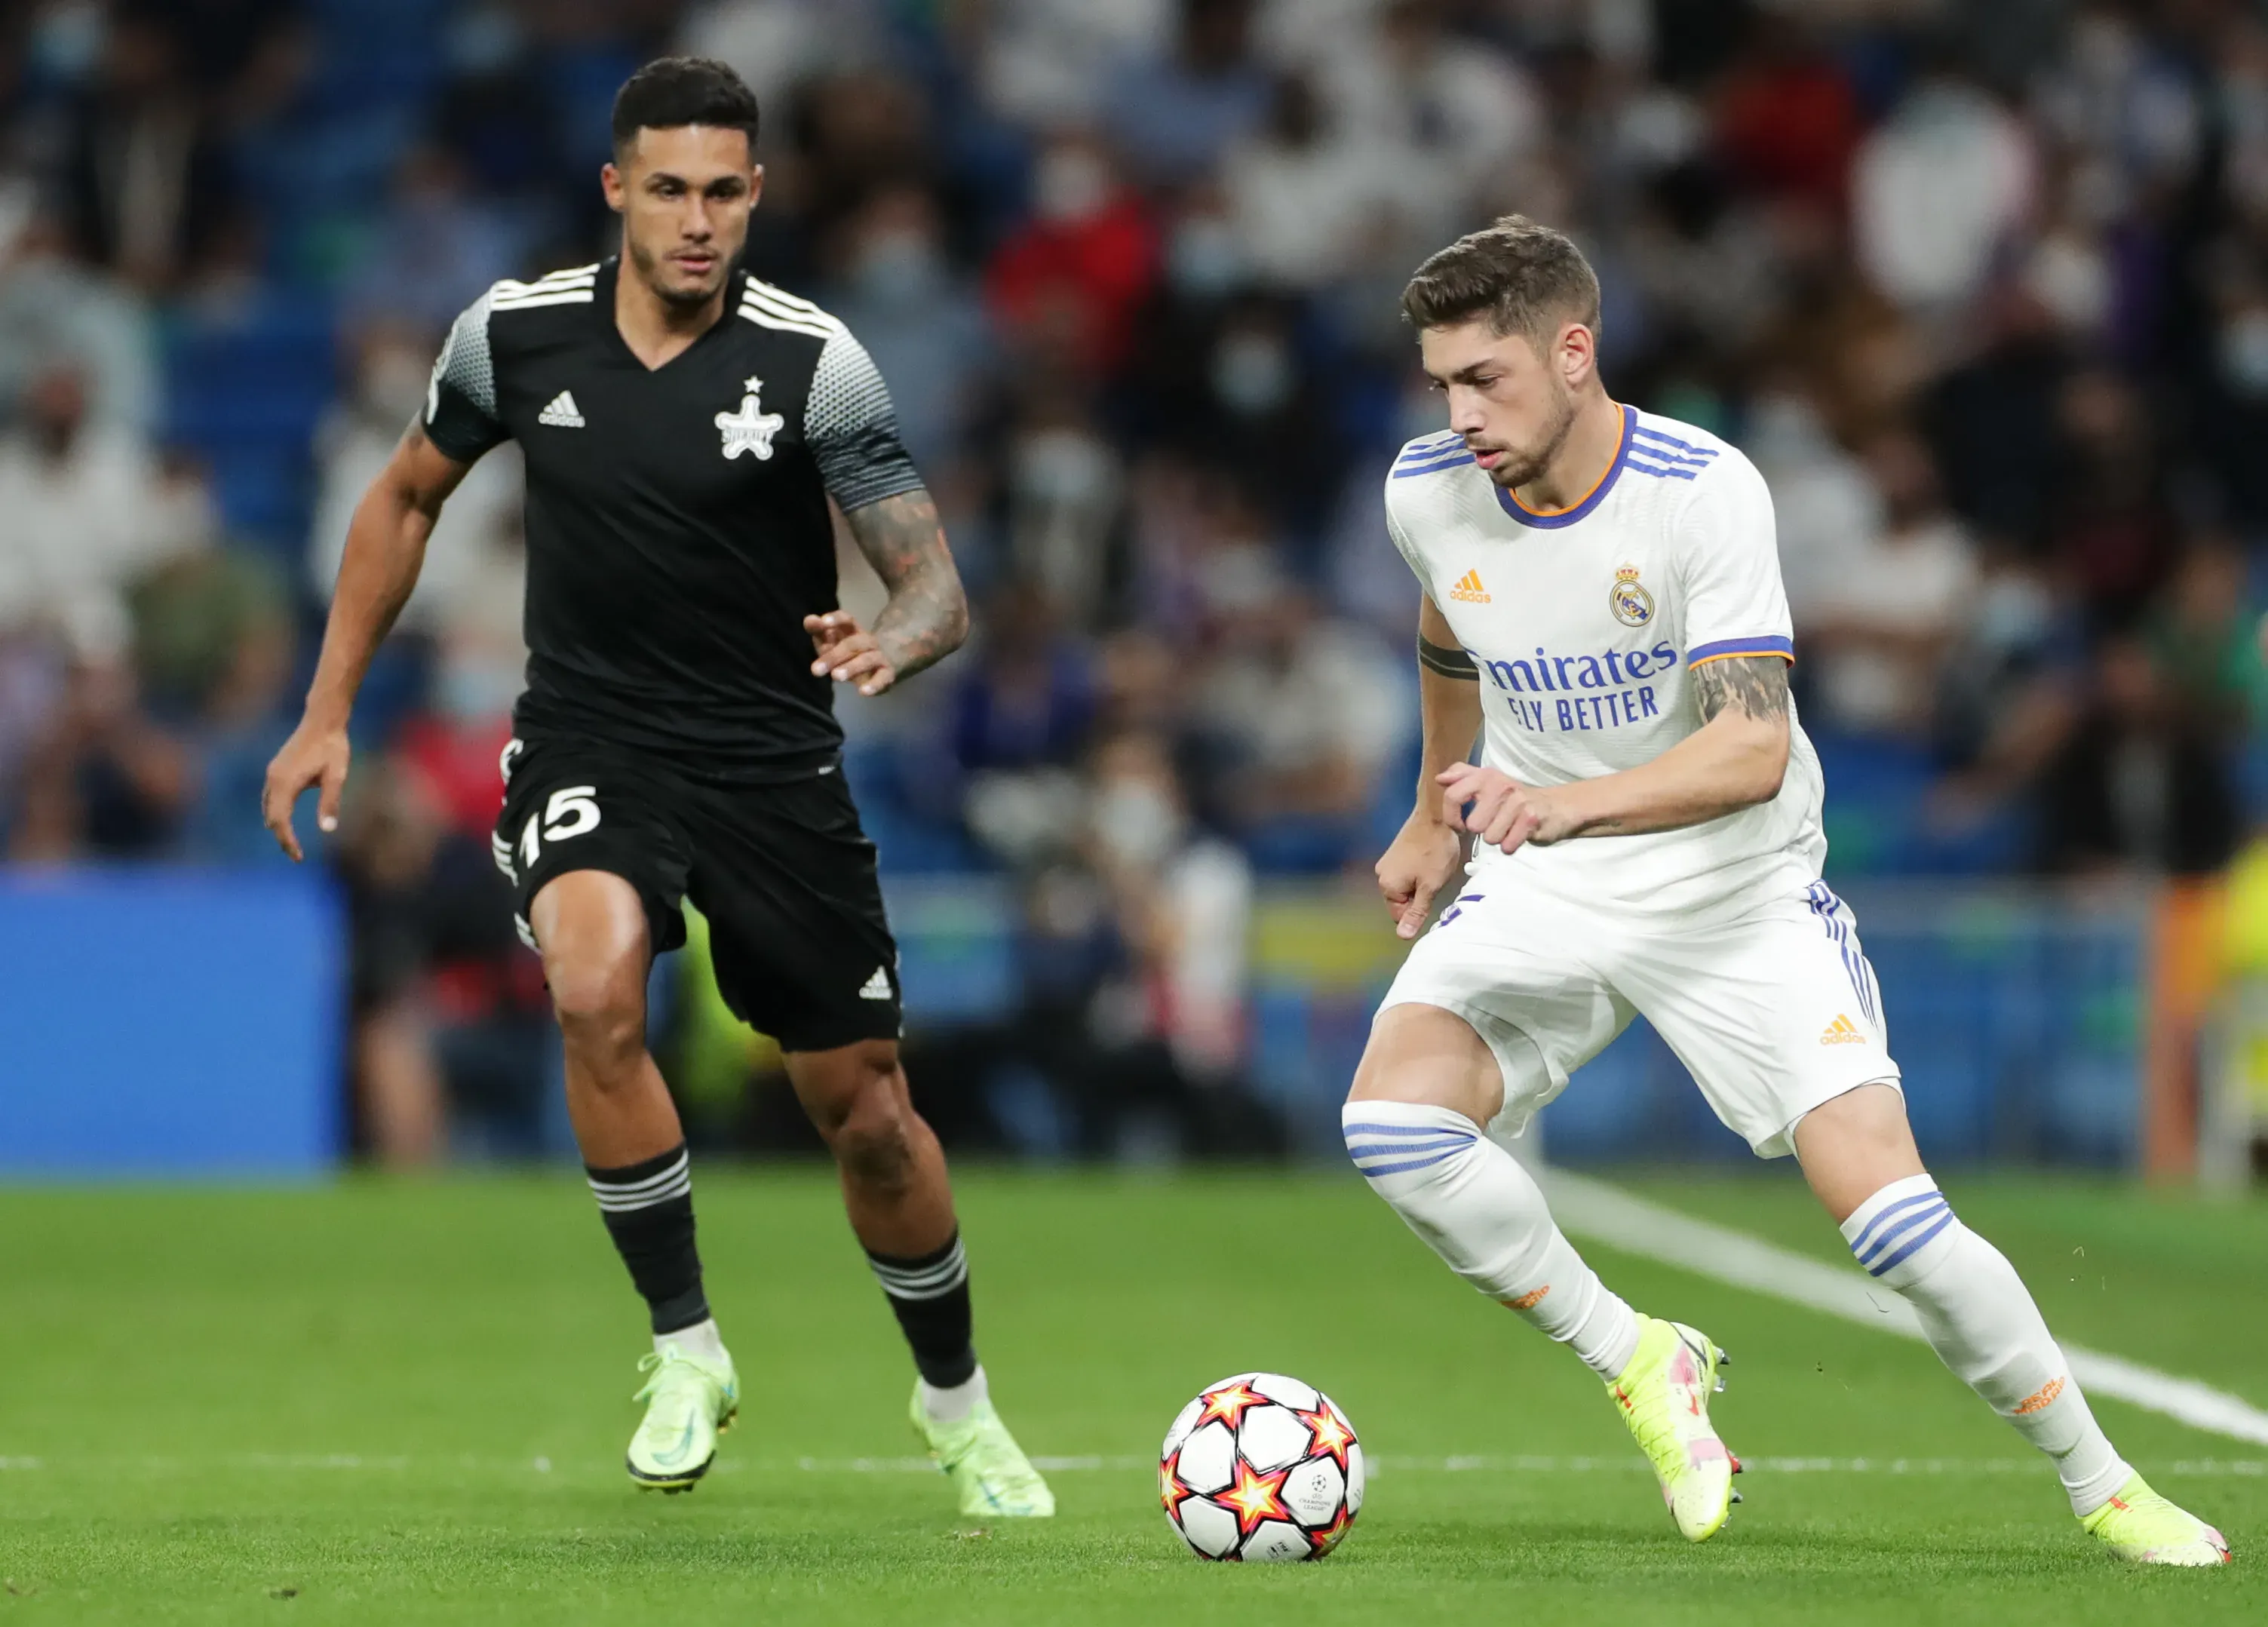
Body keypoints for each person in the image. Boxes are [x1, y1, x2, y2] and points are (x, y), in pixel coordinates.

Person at [1348, 216, 2229, 1566]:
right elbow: (1444, 623)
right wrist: (1431, 806)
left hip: (1732, 892)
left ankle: (2106, 1485)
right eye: (1441, 384)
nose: (1458, 413)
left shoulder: (1701, 491)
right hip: (1548, 877)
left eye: (1486, 378)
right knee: (1392, 1127)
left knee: (1887, 1215)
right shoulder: (1427, 490)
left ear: (1572, 353)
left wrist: (1557, 803)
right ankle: (1639, 1357)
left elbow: (1751, 750)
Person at [261, 57, 1052, 1517]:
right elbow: (405, 496)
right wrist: (326, 713)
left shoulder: (819, 362)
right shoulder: (514, 336)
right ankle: (686, 1346)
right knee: (591, 986)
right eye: (672, 189)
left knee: (867, 1115)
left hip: (771, 763)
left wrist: (896, 640)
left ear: (758, 195)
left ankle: (959, 1407)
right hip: (591, 739)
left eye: (727, 193)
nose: (700, 221)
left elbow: (933, 578)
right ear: (618, 189)